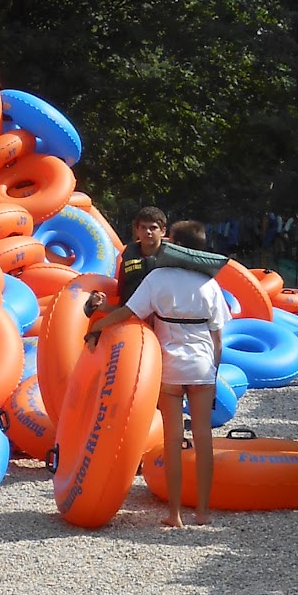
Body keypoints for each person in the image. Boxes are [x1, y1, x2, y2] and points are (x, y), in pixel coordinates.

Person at [90, 218, 226, 526]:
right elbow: (218, 339)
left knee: (173, 438)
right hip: (202, 365)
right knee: (204, 438)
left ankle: (175, 514)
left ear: (175, 245)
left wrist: (98, 324)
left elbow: (128, 311)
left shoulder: (158, 277)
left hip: (170, 366)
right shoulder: (210, 285)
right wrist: (214, 373)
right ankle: (203, 512)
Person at [85, 205, 167, 317]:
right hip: (136, 324)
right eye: (143, 227)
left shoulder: (173, 259)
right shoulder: (128, 257)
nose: (148, 232)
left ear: (163, 231)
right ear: (137, 231)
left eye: (153, 228)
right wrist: (105, 307)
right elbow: (123, 307)